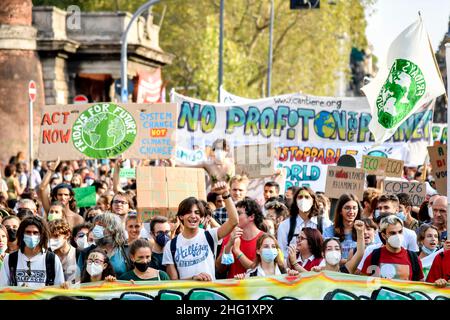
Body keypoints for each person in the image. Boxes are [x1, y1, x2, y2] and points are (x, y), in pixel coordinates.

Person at [163, 181, 238, 281]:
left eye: (197, 213)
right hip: (187, 295)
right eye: (188, 212)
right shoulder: (171, 245)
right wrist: (193, 279)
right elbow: (174, 282)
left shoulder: (210, 235)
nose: (193, 216)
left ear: (202, 217)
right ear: (181, 216)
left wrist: (225, 194)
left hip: (210, 294)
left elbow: (234, 221)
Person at [0, 216, 65, 288]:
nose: (31, 235)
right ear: (22, 234)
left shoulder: (52, 259)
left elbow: (59, 290)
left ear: (42, 235)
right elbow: (3, 289)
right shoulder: (10, 259)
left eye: (35, 233)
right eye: (28, 232)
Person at [361, 215, 424, 281]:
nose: (397, 236)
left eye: (400, 232)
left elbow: (421, 284)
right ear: (384, 235)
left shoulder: (413, 258)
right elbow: (363, 283)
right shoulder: (374, 256)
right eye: (393, 233)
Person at [216, 198, 265, 279]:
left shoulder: (264, 239)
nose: (234, 217)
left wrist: (237, 252)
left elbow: (259, 270)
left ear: (251, 217)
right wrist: (228, 246)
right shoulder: (231, 236)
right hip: (232, 287)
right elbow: (220, 268)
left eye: (238, 213)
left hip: (255, 288)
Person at [277, 187, 332, 257]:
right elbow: (281, 252)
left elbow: (329, 249)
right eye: (300, 197)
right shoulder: (285, 225)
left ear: (313, 201)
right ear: (295, 201)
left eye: (307, 197)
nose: (303, 200)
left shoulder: (325, 224)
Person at [77, 212, 132, 278]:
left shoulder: (126, 251)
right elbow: (78, 278)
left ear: (113, 229)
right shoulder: (85, 253)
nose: (96, 229)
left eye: (100, 225)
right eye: (95, 225)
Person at [38, 158, 84, 229]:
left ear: (70, 197)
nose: (63, 197)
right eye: (60, 195)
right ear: (56, 197)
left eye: (66, 195)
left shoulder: (77, 219)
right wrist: (51, 170)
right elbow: (42, 188)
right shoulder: (51, 211)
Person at [323, 194, 362, 262]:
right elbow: (325, 255)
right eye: (347, 208)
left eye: (354, 208)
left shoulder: (363, 230)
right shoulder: (329, 231)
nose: (351, 212)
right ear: (340, 211)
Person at [48, 219, 79, 285]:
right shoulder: (47, 256)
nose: (52, 240)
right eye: (50, 237)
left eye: (56, 236)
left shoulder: (78, 254)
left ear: (67, 235)